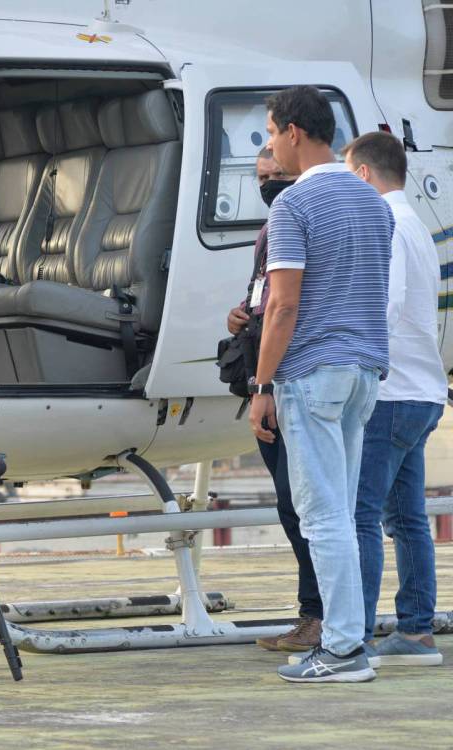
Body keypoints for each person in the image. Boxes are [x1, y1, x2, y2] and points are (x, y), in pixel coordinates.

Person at [250, 85, 394, 683]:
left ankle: (341, 650)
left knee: (323, 515)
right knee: (345, 508)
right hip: (364, 372)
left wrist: (262, 385)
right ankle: (349, 640)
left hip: (311, 373)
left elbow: (282, 306)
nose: (268, 147)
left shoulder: (291, 206)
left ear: (292, 131)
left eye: (268, 133)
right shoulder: (373, 202)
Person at [344, 131, 446, 667]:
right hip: (424, 389)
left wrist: (356, 366)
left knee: (361, 514)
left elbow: (385, 305)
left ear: (362, 174)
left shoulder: (384, 224)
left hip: (390, 393)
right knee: (407, 518)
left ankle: (354, 638)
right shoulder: (419, 228)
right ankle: (415, 631)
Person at [226, 150, 322, 653]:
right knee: (290, 506)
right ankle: (314, 614)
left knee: (304, 504)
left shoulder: (300, 219)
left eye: (277, 177)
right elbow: (270, 297)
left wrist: (264, 387)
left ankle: (322, 616)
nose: (269, 185)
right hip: (270, 380)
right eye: (262, 178)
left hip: (291, 383)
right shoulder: (272, 230)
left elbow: (291, 303)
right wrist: (243, 313)